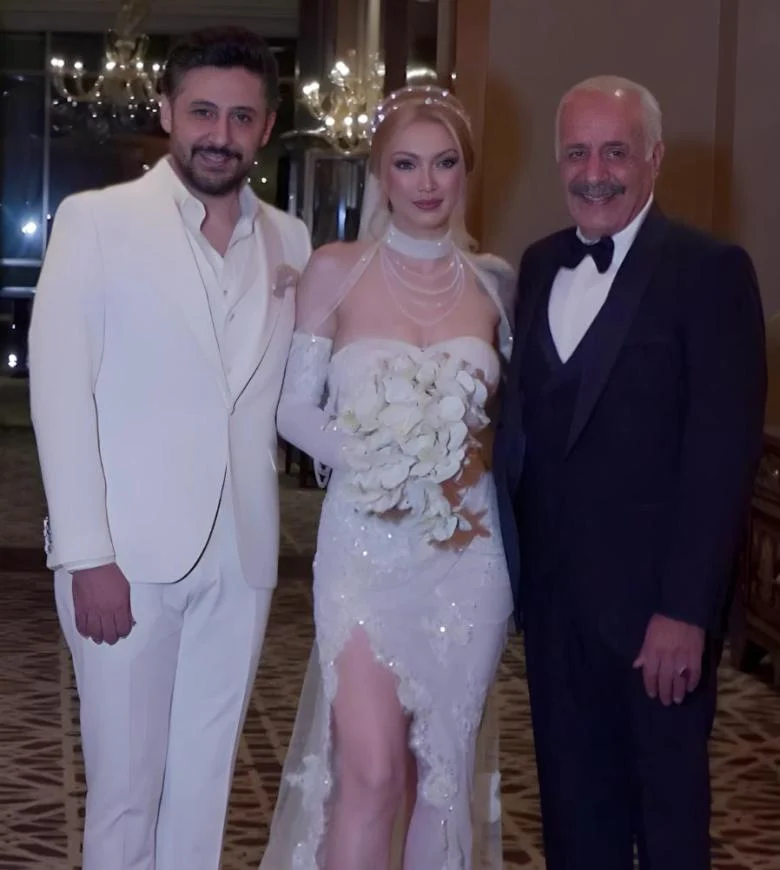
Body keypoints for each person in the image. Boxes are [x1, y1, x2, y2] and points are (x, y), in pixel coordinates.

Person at [28, 27, 310, 870]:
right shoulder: (96, 222)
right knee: (125, 794)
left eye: (241, 117)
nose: (220, 134)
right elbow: (60, 395)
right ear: (167, 112)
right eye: (202, 112)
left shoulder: (291, 242)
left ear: (266, 127)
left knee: (204, 789)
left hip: (243, 555)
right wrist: (87, 554)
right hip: (126, 557)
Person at [494, 75, 767, 870]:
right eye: (576, 153)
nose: (594, 173)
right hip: (555, 612)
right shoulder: (539, 264)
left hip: (658, 620)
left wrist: (686, 610)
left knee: (669, 825)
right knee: (574, 821)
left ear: (654, 158)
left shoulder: (710, 271)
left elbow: (721, 455)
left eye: (615, 152)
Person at [262, 85, 515, 870]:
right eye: (407, 164)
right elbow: (292, 409)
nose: (427, 182)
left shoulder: (496, 284)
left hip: (468, 550)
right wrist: (382, 456)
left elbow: (523, 422)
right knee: (371, 772)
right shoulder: (335, 270)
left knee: (443, 777)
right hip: (364, 548)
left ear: (466, 170)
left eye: (445, 163)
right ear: (380, 174)